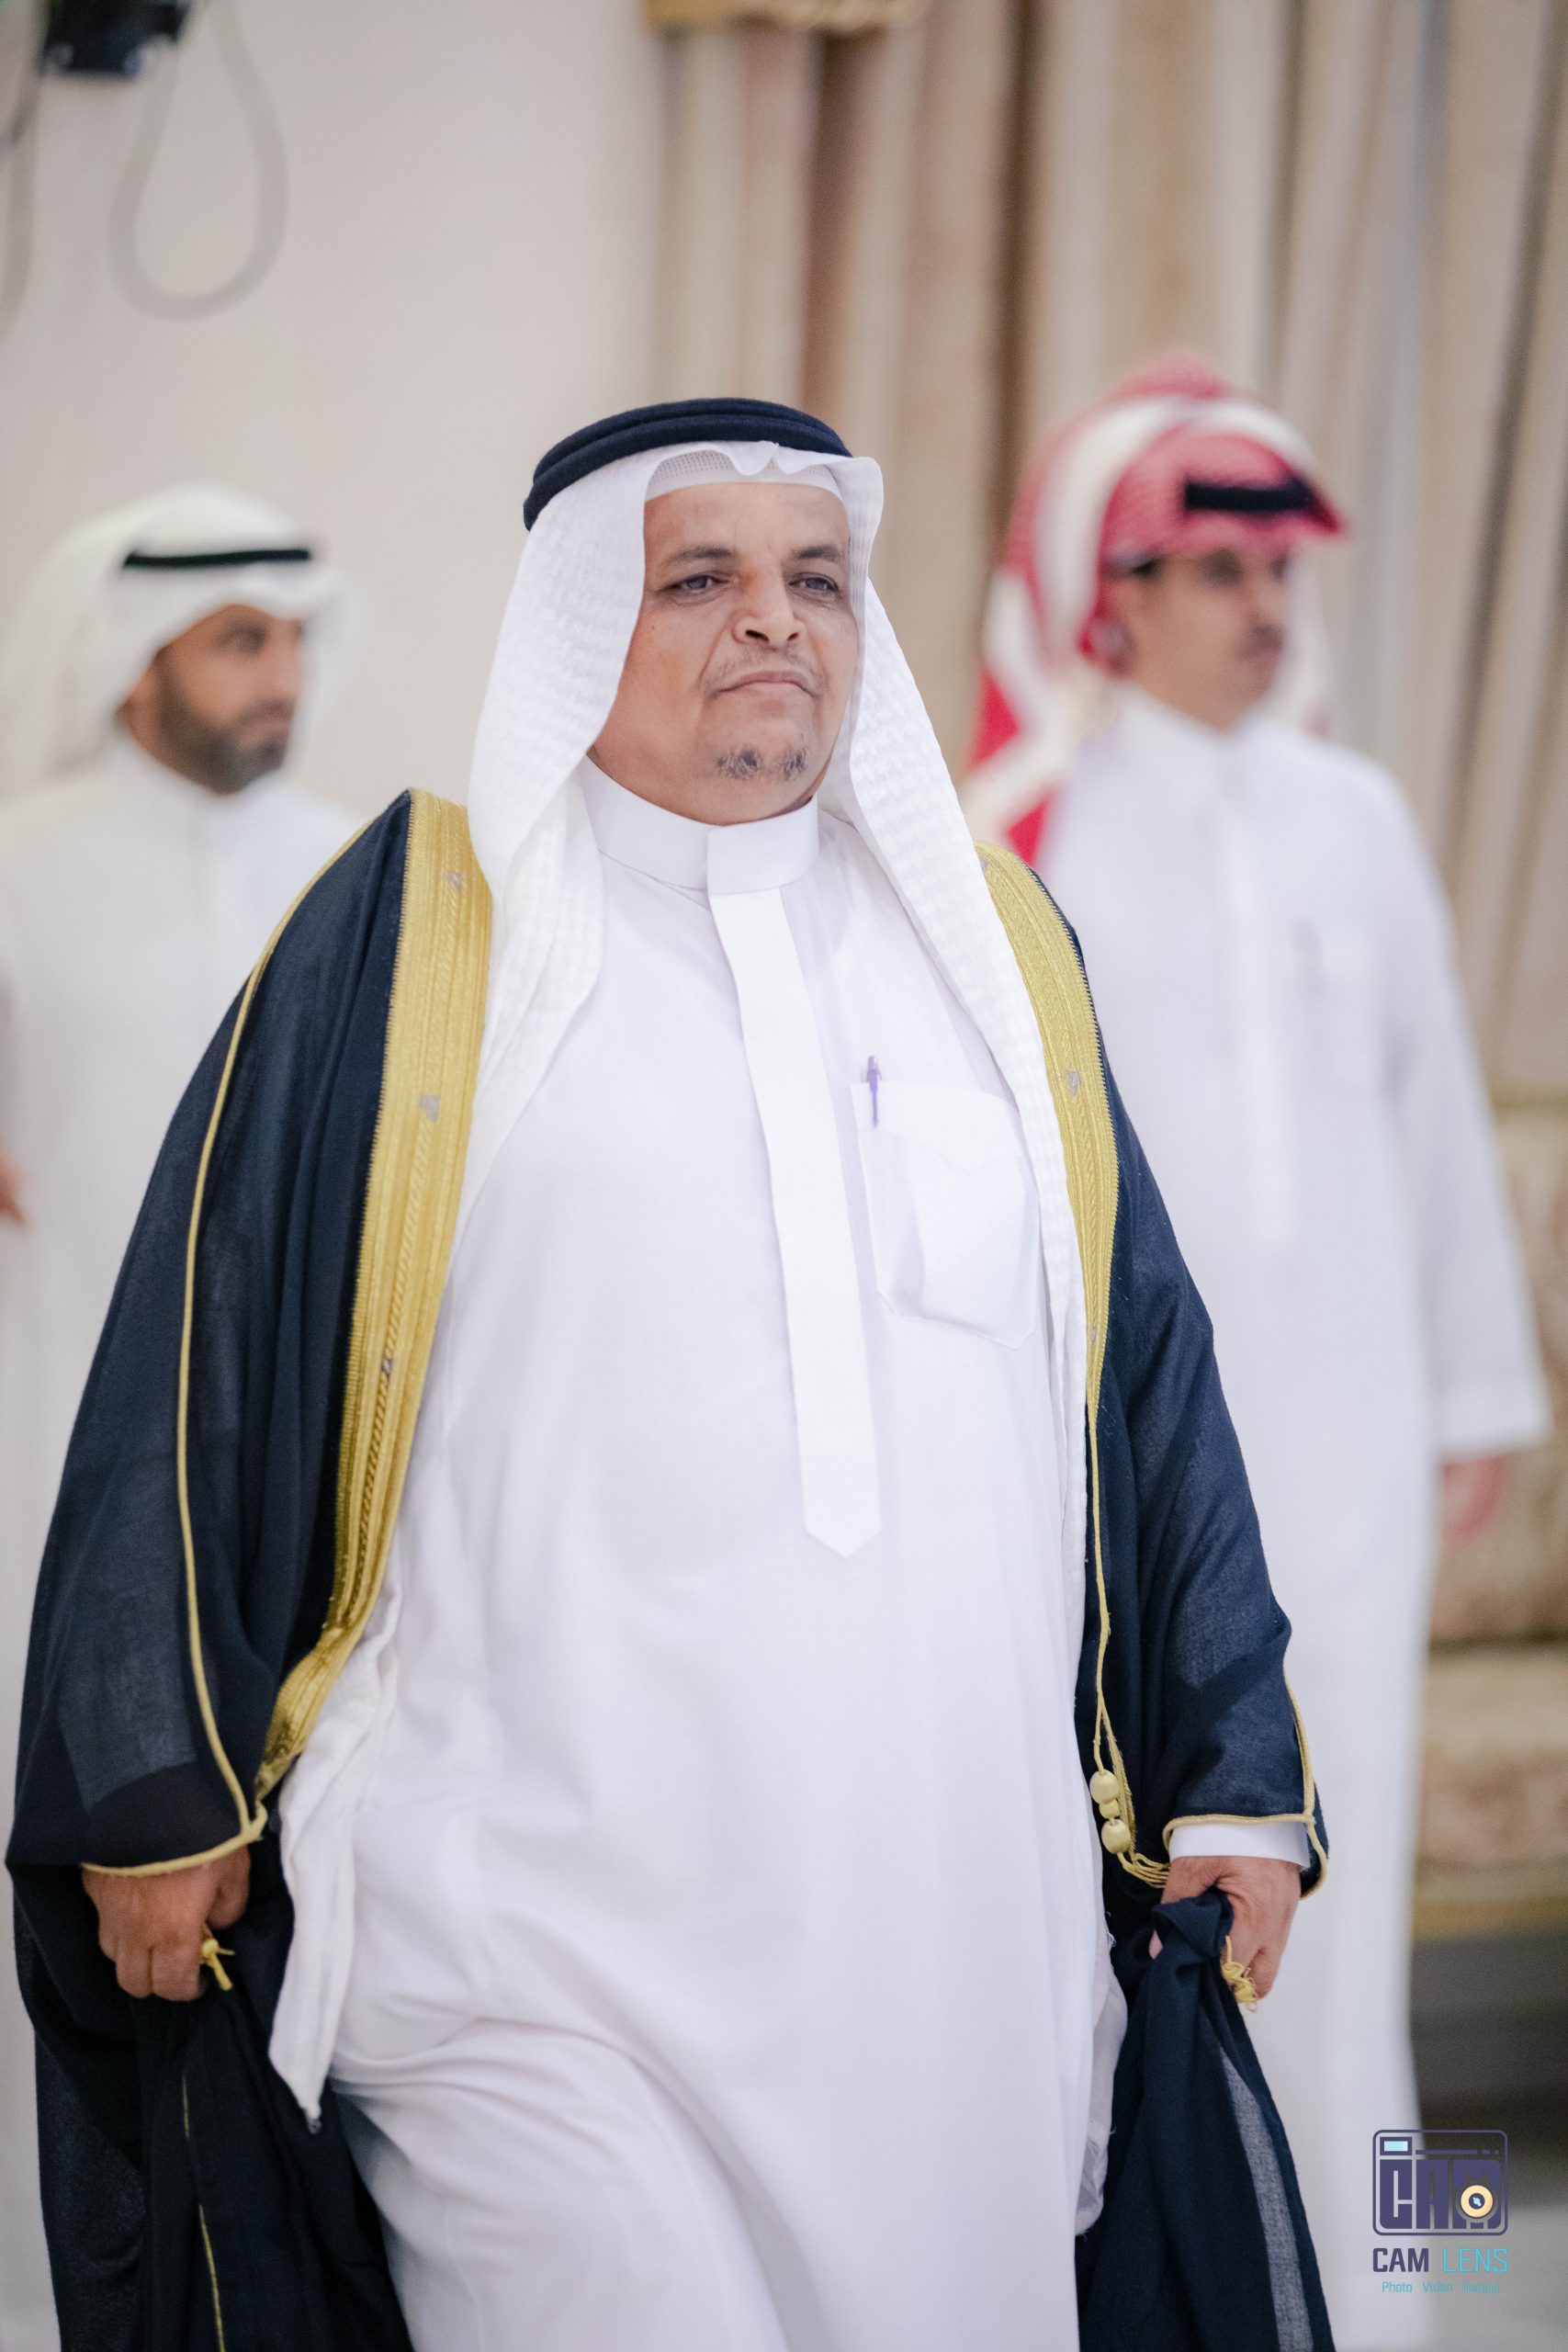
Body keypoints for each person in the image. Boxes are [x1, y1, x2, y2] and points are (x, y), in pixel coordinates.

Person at [12, 401, 1328, 2352]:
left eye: (816, 579)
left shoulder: (987, 952)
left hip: (946, 1937)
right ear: (572, 627)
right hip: (522, 1933)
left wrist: (1228, 1776)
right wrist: (154, 1786)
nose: (772, 619)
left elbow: (1144, 1369)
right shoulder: (417, 944)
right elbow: (197, 1356)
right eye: (695, 575)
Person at [965, 355, 1551, 2352]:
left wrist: (1476, 1398)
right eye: (1212, 568)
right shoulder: (1017, 832)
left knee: (1356, 1908)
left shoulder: (1354, 813)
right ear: (1106, 594)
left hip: (1358, 1440)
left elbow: (1429, 1119)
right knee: (1134, 1911)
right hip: (1124, 1477)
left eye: (1277, 568)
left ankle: (1405, 2302)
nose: (1260, 605)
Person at [0, 483, 358, 2352]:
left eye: (292, 638)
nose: (278, 674)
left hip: (285, 1502)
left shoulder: (353, 879)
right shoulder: (20, 866)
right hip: (37, 1465)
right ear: (134, 660)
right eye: (238, 640)